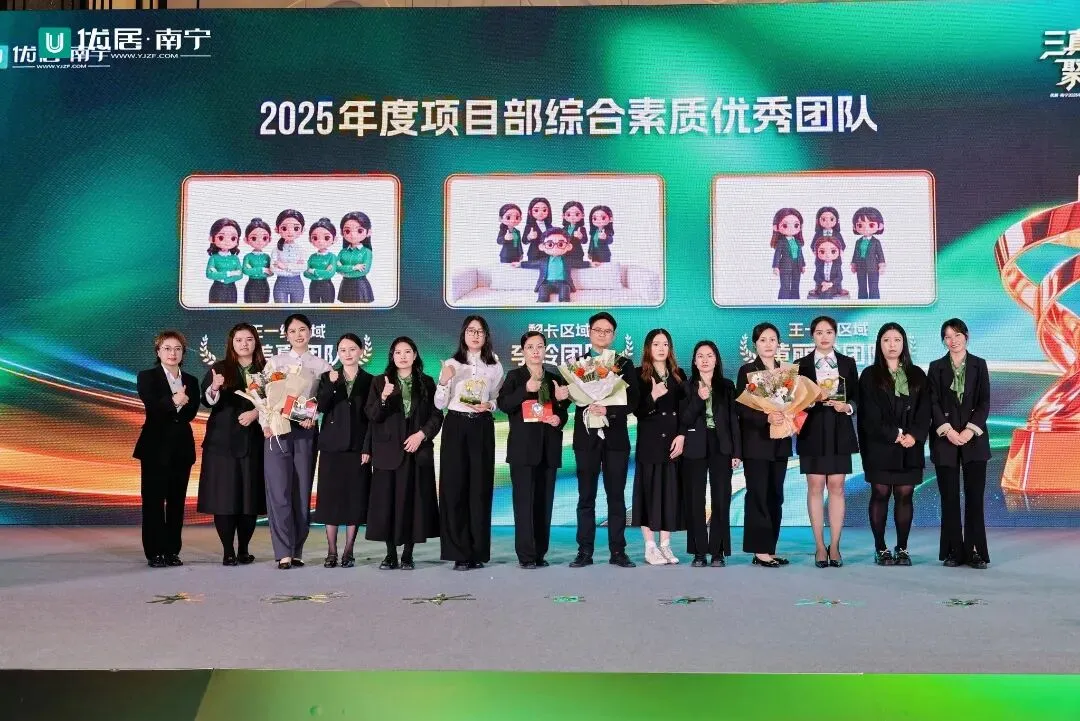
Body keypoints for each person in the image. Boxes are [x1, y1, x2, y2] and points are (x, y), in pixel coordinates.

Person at [365, 337, 443, 570]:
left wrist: (422, 435)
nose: (402, 356)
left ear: (415, 355)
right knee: (387, 504)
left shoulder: (426, 382)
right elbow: (372, 416)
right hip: (387, 452)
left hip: (416, 451)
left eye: (407, 351)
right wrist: (383, 397)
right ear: (392, 356)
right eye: (398, 352)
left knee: (413, 503)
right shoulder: (380, 381)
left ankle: (408, 554)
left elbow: (437, 415)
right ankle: (390, 554)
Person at [434, 316, 505, 571]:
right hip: (456, 425)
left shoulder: (494, 365)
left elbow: (498, 397)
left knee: (480, 488)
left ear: (486, 336)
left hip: (482, 425)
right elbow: (439, 403)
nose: (475, 335)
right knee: (454, 488)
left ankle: (477, 551)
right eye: (471, 330)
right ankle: (459, 552)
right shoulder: (451, 364)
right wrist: (444, 381)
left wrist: (491, 405)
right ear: (463, 334)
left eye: (480, 331)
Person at [261, 313, 331, 569]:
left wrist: (313, 416)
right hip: (276, 431)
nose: (298, 335)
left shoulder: (321, 366)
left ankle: (297, 549)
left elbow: (326, 400)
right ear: (286, 335)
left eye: (302, 330)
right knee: (278, 492)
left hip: (304, 431)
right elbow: (262, 397)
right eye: (293, 331)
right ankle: (283, 551)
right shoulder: (275, 362)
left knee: (301, 493)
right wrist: (265, 423)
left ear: (310, 332)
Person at [571, 312, 639, 569]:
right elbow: (572, 398)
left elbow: (633, 401)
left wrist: (608, 409)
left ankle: (618, 551)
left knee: (616, 496)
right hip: (586, 438)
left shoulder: (623, 364)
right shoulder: (577, 364)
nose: (602, 334)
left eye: (607, 331)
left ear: (613, 335)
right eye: (597, 330)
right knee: (585, 497)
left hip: (615, 439)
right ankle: (584, 551)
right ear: (589, 332)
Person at [497, 331, 571, 568]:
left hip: (548, 449)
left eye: (540, 346)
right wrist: (525, 389)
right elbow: (503, 404)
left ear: (545, 349)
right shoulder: (515, 376)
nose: (536, 351)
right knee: (523, 503)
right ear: (523, 351)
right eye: (530, 347)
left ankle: (540, 553)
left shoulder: (554, 378)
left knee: (544, 502)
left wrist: (559, 414)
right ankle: (526, 555)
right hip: (523, 450)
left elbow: (562, 411)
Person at [858, 322, 930, 566]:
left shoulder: (917, 374)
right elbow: (868, 413)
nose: (892, 345)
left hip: (910, 446)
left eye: (897, 340)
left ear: (904, 344)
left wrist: (914, 435)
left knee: (905, 495)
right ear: (879, 344)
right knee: (880, 493)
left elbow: (925, 410)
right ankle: (880, 548)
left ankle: (902, 548)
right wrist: (894, 434)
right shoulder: (869, 375)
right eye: (886, 340)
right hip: (880, 445)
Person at [198, 323, 267, 566]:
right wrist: (215, 387)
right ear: (231, 343)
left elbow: (275, 401)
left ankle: (244, 549)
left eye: (249, 339)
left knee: (249, 498)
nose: (244, 344)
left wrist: (256, 413)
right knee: (224, 499)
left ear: (256, 342)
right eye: (239, 340)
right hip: (222, 443)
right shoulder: (219, 368)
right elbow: (207, 400)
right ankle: (228, 551)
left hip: (253, 442)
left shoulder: (267, 369)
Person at [133, 331, 200, 568]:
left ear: (183, 353)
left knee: (176, 502)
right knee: (153, 501)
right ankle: (154, 552)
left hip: (181, 448)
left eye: (178, 349)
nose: (173, 353)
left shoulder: (191, 380)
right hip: (154, 447)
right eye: (167, 348)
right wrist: (174, 401)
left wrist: (179, 405)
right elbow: (152, 405)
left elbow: (191, 412)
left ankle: (172, 551)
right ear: (158, 351)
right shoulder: (147, 376)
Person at [796, 316, 859, 568]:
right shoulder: (800, 365)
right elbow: (792, 401)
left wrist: (847, 407)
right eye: (819, 332)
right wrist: (807, 402)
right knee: (815, 486)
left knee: (837, 486)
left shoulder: (847, 363)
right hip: (812, 429)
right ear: (812, 335)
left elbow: (857, 397)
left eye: (829, 332)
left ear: (835, 335)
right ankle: (820, 546)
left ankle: (835, 545)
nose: (824, 337)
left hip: (839, 429)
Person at [928, 318, 991, 569]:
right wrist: (947, 430)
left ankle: (975, 550)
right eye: (947, 337)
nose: (952, 341)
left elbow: (985, 402)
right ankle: (954, 550)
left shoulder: (979, 364)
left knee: (974, 498)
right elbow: (932, 402)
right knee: (949, 498)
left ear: (966, 336)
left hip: (974, 439)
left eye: (956, 335)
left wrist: (969, 431)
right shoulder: (936, 367)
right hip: (945, 440)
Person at [313, 333, 373, 569]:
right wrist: (332, 384)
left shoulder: (370, 380)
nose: (348, 354)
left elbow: (372, 419)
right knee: (330, 500)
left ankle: (349, 550)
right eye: (343, 350)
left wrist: (367, 447)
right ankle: (331, 551)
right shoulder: (328, 377)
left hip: (357, 448)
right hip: (331, 447)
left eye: (352, 349)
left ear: (361, 351)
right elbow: (320, 406)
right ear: (337, 353)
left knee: (354, 500)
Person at [735, 322, 792, 568]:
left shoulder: (786, 371)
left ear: (779, 343)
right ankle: (760, 551)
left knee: (776, 496)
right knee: (758, 494)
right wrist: (765, 418)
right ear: (755, 344)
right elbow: (741, 408)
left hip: (780, 442)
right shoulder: (747, 370)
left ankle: (770, 548)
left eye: (772, 339)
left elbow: (793, 405)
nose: (768, 344)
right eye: (762, 340)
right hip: (756, 443)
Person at [680, 341, 741, 568]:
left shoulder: (727, 386)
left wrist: (736, 451)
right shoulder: (686, 387)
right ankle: (698, 552)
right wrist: (698, 398)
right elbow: (684, 420)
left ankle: (718, 551)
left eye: (709, 355)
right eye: (700, 356)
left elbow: (734, 420)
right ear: (694, 361)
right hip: (694, 445)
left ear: (716, 360)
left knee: (721, 499)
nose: (705, 360)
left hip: (721, 445)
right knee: (695, 500)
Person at [632, 329, 686, 565]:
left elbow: (685, 410)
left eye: (665, 344)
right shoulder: (639, 374)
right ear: (648, 348)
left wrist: (682, 435)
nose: (661, 348)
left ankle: (665, 545)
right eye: (656, 344)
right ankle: (650, 546)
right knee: (648, 493)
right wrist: (652, 396)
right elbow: (636, 410)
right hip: (650, 442)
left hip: (672, 443)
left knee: (669, 494)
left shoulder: (678, 375)